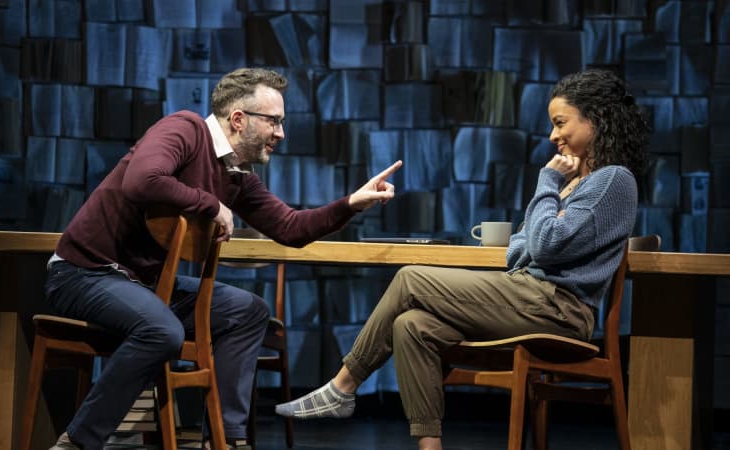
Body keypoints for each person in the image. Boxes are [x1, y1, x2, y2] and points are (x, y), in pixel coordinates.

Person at [275, 69, 650, 450]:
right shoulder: (575, 185)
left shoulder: (612, 180)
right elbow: (520, 248)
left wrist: (547, 186)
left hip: (558, 308)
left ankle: (343, 385)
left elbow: (544, 246)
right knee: (412, 325)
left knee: (411, 279)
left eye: (560, 123)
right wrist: (542, 229)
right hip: (531, 296)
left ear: (596, 120)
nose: (553, 136)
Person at [45, 67, 402, 450]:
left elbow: (291, 228)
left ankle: (226, 440)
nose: (281, 133)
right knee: (162, 331)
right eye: (274, 122)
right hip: (84, 273)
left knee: (248, 310)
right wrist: (210, 203)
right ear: (238, 119)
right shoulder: (183, 129)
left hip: (142, 286)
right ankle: (78, 443)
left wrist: (350, 203)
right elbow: (142, 180)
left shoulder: (238, 175)